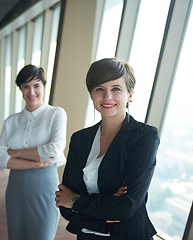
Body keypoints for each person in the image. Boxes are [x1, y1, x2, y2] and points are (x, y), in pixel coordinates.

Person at [55, 58, 160, 240]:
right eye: (99, 89)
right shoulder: (80, 139)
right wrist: (105, 214)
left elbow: (126, 206)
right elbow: (63, 204)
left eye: (116, 89)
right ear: (91, 94)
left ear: (130, 94)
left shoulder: (144, 137)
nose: (107, 97)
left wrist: (76, 200)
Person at [0, 64, 67, 240]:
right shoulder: (11, 121)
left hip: (44, 186)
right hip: (15, 188)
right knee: (17, 235)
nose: (31, 91)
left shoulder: (56, 114)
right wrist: (34, 162)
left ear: (43, 86)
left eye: (36, 85)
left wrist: (16, 153)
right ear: (20, 89)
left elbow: (54, 151)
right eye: (25, 86)